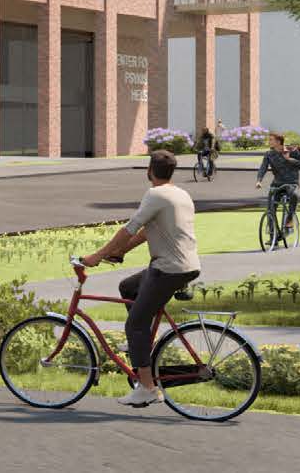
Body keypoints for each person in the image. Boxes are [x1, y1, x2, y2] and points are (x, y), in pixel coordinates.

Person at [78, 148, 199, 408]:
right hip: (187, 266)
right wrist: (120, 252)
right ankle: (143, 344)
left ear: (149, 171)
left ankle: (147, 387)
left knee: (134, 324)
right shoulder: (181, 193)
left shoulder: (155, 194)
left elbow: (129, 228)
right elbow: (147, 232)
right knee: (128, 287)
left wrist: (97, 256)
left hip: (168, 269)